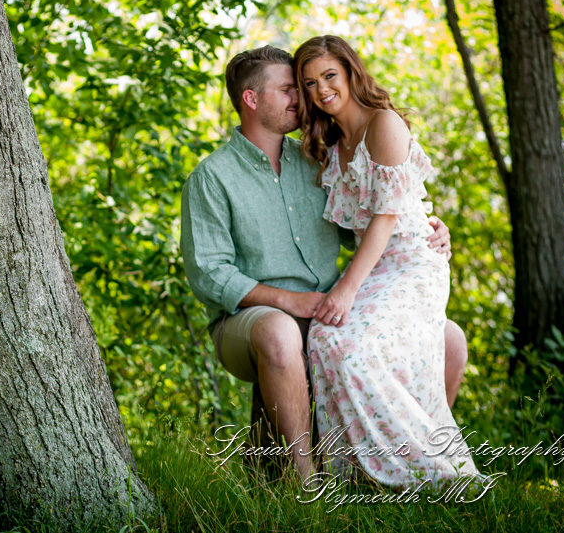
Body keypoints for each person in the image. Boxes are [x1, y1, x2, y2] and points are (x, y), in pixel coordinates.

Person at [180, 45, 468, 481]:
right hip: (249, 319)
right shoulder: (213, 177)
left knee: (448, 336)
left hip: (324, 303)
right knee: (279, 331)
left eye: (303, 87)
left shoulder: (315, 158)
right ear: (252, 100)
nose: (302, 97)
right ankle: (305, 481)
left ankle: (414, 454)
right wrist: (288, 301)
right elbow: (209, 274)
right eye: (290, 89)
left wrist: (424, 225)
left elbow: (363, 224)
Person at [295, 35, 478, 486]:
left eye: (330, 76)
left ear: (351, 72)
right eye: (310, 83)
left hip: (414, 262)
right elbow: (356, 225)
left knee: (352, 349)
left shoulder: (384, 124)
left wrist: (346, 289)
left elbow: (386, 217)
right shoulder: (333, 144)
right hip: (375, 265)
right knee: (324, 338)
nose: (322, 90)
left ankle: (429, 471)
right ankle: (357, 473)